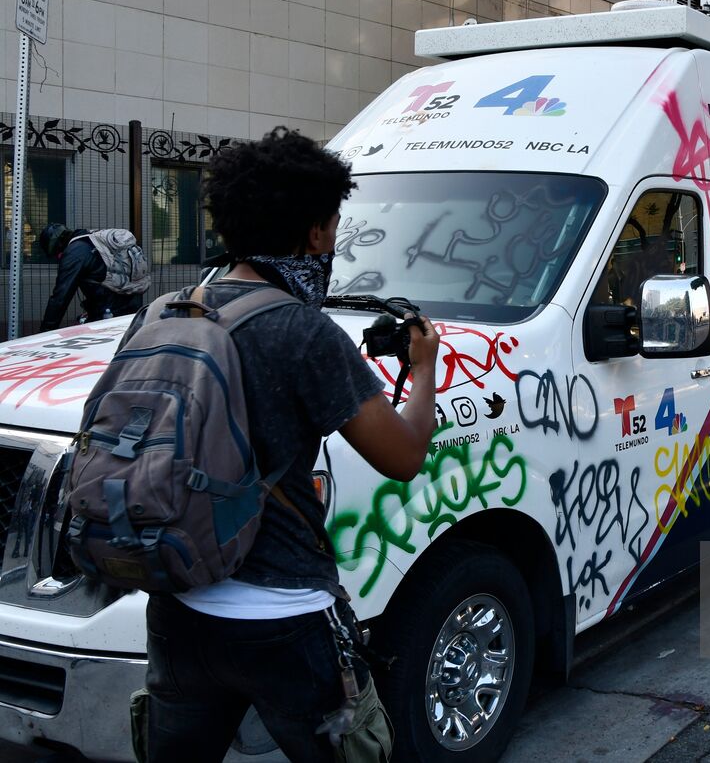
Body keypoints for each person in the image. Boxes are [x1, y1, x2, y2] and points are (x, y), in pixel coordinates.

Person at [136, 130, 442, 762]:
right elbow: (404, 455)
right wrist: (424, 365)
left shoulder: (164, 311)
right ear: (314, 233)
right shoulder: (303, 330)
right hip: (283, 615)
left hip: (177, 605)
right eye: (332, 223)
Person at [38, 224, 145, 331]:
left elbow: (60, 298)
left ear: (58, 244)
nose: (59, 257)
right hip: (130, 303)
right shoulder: (89, 239)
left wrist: (43, 333)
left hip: (108, 312)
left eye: (57, 254)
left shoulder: (74, 253)